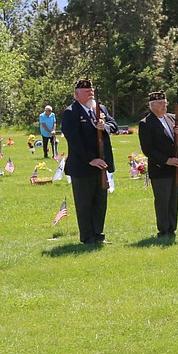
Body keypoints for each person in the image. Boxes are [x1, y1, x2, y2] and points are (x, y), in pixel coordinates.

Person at [61, 79, 117, 245]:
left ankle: (98, 234)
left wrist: (104, 127)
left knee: (100, 202)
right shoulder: (71, 112)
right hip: (83, 166)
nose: (90, 93)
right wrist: (90, 159)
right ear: (77, 94)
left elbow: (114, 125)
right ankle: (87, 237)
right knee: (85, 203)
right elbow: (74, 139)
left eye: (91, 90)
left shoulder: (99, 109)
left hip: (102, 164)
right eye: (86, 91)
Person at [137, 91, 178, 238]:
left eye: (165, 103)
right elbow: (148, 149)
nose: (164, 106)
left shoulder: (172, 118)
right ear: (152, 106)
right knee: (162, 200)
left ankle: (172, 228)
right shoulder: (146, 123)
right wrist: (166, 160)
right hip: (160, 168)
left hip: (175, 167)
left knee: (173, 200)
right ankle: (164, 230)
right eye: (160, 104)